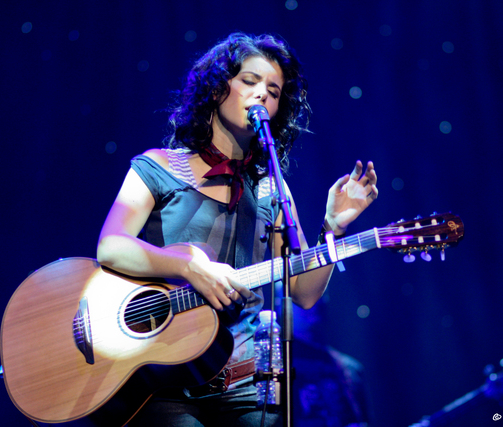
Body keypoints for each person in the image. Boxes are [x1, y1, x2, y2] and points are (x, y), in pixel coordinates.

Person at [96, 32, 378, 427]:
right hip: (161, 377)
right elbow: (110, 246)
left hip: (242, 383)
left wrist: (332, 227)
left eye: (274, 90)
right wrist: (185, 266)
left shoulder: (271, 188)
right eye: (250, 81)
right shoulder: (159, 166)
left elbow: (303, 292)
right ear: (216, 89)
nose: (262, 94)